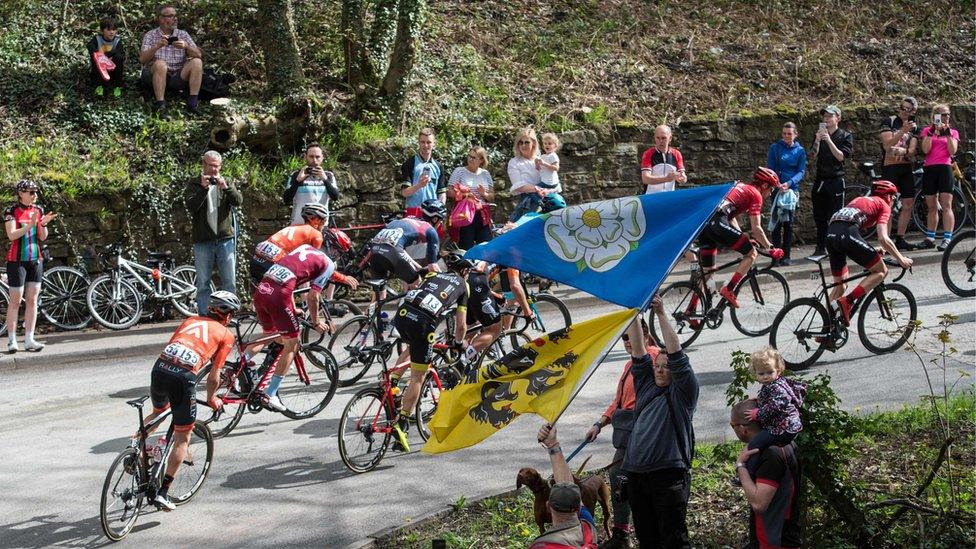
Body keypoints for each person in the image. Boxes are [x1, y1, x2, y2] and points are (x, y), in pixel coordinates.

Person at [140, 291, 240, 511]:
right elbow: (214, 375)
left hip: (160, 368)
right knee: (182, 437)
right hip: (182, 377)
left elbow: (173, 345)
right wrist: (211, 398)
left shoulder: (189, 320)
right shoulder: (226, 334)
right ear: (228, 315)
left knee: (158, 412)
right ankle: (163, 493)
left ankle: (135, 450)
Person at [621, 294, 698, 548]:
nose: (661, 369)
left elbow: (676, 354)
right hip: (636, 475)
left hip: (668, 476)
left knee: (674, 540)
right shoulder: (645, 384)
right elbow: (639, 349)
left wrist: (662, 313)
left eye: (667, 366)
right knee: (648, 540)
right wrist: (633, 311)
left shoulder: (683, 393)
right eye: (658, 365)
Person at [251, 244, 358, 412]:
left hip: (262, 290)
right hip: (279, 296)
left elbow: (291, 279)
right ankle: (270, 393)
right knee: (292, 344)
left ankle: (238, 368)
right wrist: (316, 322)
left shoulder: (306, 249)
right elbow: (313, 297)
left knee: (270, 334)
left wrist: (292, 309)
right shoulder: (328, 264)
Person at [584, 319, 660, 548]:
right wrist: (600, 423)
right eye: (624, 338)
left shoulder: (653, 358)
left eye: (631, 336)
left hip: (642, 436)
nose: (627, 342)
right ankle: (621, 534)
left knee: (624, 480)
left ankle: (627, 535)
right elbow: (618, 401)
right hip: (625, 434)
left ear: (644, 333)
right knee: (621, 481)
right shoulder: (629, 365)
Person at [389, 253, 472, 452]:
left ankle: (392, 384)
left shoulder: (433, 275)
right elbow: (461, 325)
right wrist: (458, 343)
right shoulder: (463, 285)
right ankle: (403, 424)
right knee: (419, 375)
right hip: (423, 323)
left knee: (412, 346)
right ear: (464, 270)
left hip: (402, 315)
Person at [825, 180, 913, 326]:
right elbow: (883, 238)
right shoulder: (883, 204)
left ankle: (827, 326)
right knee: (881, 271)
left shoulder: (860, 200)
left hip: (831, 235)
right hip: (846, 235)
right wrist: (901, 259)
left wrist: (872, 249)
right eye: (893, 197)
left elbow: (849, 230)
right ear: (888, 196)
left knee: (840, 285)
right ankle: (848, 301)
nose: (893, 201)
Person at [697, 168, 783, 309]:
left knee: (708, 272)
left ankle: (690, 310)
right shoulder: (756, 194)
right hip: (717, 222)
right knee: (751, 253)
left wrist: (742, 236)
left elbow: (730, 217)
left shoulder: (740, 187)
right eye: (772, 189)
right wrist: (770, 248)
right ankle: (729, 289)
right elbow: (757, 229)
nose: (770, 193)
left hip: (704, 225)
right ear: (765, 186)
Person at [730, 399, 803, 549]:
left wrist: (741, 466)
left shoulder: (772, 454)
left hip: (774, 542)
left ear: (743, 428)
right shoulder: (787, 443)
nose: (733, 429)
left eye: (733, 426)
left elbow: (759, 503)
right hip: (778, 537)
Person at [184, 151, 242, 314]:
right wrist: (203, 188)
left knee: (229, 281)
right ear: (203, 164)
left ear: (220, 166)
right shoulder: (194, 184)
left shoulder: (227, 182)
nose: (212, 169)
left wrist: (227, 188)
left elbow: (238, 201)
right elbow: (191, 207)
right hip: (203, 241)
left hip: (225, 239)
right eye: (209, 165)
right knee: (203, 282)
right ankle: (204, 315)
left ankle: (228, 314)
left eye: (215, 166)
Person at [735, 347, 805, 482]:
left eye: (769, 372)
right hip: (788, 426)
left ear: (778, 370)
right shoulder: (774, 383)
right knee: (760, 444)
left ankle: (748, 474)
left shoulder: (775, 386)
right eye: (761, 374)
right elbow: (771, 399)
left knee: (754, 444)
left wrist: (758, 414)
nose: (766, 376)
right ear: (755, 374)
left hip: (783, 428)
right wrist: (758, 400)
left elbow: (778, 404)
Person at [4, 180, 57, 352]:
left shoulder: (38, 210)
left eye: (36, 192)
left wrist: (42, 224)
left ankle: (29, 339)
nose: (35, 195)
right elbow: (11, 235)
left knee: (32, 300)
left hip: (35, 259)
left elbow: (42, 237)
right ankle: (12, 340)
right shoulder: (11, 211)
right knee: (15, 301)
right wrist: (29, 225)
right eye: (31, 192)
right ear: (21, 193)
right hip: (16, 260)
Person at [529, 423, 599, 549]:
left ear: (548, 507)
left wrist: (552, 446)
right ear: (578, 508)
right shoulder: (588, 529)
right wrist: (553, 445)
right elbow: (568, 484)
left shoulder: (542, 545)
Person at [362, 199, 446, 288]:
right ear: (435, 218)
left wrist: (418, 268)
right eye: (440, 221)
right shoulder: (430, 230)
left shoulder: (406, 219)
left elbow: (401, 251)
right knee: (417, 283)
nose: (440, 224)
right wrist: (445, 282)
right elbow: (433, 266)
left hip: (375, 250)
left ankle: (376, 301)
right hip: (392, 251)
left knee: (379, 293)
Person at [138, 4, 204, 115]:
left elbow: (198, 54)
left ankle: (192, 104)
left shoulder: (182, 34)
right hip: (155, 74)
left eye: (175, 16)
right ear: (161, 19)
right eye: (171, 16)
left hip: (177, 77)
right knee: (160, 64)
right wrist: (157, 46)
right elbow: (142, 60)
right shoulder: (150, 35)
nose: (175, 18)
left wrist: (186, 46)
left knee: (197, 62)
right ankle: (161, 105)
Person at [810, 105, 854, 257]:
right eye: (824, 116)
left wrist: (828, 140)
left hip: (835, 180)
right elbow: (811, 157)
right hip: (820, 180)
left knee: (835, 216)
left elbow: (841, 157)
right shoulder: (819, 135)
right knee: (819, 216)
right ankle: (820, 247)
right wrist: (817, 140)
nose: (826, 119)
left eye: (830, 116)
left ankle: (835, 246)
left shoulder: (845, 136)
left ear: (838, 118)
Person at [878, 97, 921, 251]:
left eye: (907, 109)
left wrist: (907, 151)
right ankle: (886, 241)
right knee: (887, 205)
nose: (903, 111)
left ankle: (900, 238)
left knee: (908, 203)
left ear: (913, 111)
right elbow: (887, 145)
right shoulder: (888, 121)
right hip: (890, 167)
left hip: (905, 168)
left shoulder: (915, 127)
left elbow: (911, 152)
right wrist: (902, 131)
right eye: (902, 107)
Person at [249, 203, 327, 283]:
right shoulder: (316, 234)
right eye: (324, 221)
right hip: (273, 265)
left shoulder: (294, 227)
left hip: (256, 260)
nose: (324, 225)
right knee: (285, 291)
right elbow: (315, 262)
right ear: (316, 220)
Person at [918, 104, 959, 251]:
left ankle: (948, 238)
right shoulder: (927, 131)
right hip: (930, 168)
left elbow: (952, 150)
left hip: (945, 168)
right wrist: (932, 132)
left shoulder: (953, 132)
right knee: (932, 206)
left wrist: (947, 133)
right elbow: (925, 150)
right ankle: (930, 237)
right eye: (942, 114)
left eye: (947, 114)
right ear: (935, 116)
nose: (946, 117)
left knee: (947, 205)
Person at [767, 122, 806, 266]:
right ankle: (775, 257)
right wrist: (776, 183)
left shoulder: (800, 151)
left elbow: (801, 172)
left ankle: (787, 256)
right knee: (776, 223)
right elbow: (770, 169)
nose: (786, 136)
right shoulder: (775, 148)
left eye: (789, 134)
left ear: (795, 134)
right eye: (784, 134)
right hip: (777, 189)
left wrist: (789, 183)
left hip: (791, 190)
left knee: (788, 224)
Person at [447, 146, 495, 249]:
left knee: (486, 247)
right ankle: (465, 265)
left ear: (481, 160)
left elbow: (492, 197)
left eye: (474, 157)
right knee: (466, 247)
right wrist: (465, 195)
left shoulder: (485, 174)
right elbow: (449, 192)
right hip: (465, 214)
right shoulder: (459, 171)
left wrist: (484, 194)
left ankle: (483, 265)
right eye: (469, 156)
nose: (470, 159)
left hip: (482, 214)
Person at [283, 143, 339, 226]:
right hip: (299, 225)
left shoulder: (328, 175)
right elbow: (286, 200)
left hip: (320, 226)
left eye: (317, 157)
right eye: (311, 156)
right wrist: (298, 181)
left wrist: (325, 180)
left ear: (322, 158)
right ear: (305, 157)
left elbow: (335, 197)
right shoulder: (296, 175)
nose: (315, 160)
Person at [400, 128, 447, 218]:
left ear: (434, 144)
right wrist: (419, 185)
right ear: (419, 143)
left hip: (433, 213)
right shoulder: (410, 163)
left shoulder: (438, 166)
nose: (425, 145)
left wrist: (441, 210)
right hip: (414, 212)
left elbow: (441, 193)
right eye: (422, 142)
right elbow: (404, 193)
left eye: (429, 142)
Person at [508, 127, 545, 221]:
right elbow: (518, 185)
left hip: (547, 200)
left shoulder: (541, 159)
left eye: (527, 142)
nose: (523, 145)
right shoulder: (514, 162)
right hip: (528, 204)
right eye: (521, 142)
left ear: (533, 143)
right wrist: (537, 189)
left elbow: (551, 179)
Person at [640, 125, 687, 194]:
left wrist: (682, 179)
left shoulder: (676, 154)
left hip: (669, 197)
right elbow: (645, 179)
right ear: (654, 138)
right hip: (651, 196)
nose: (660, 141)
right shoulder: (648, 154)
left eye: (664, 138)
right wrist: (666, 179)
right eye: (658, 138)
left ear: (670, 138)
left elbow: (683, 177)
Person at [87, 17, 124, 98]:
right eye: (108, 30)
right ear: (102, 30)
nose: (111, 32)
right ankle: (99, 86)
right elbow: (90, 46)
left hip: (112, 69)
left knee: (119, 58)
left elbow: (119, 52)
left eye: (113, 30)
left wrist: (108, 57)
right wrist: (99, 55)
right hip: (99, 70)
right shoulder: (97, 39)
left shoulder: (117, 41)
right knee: (95, 58)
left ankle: (117, 86)